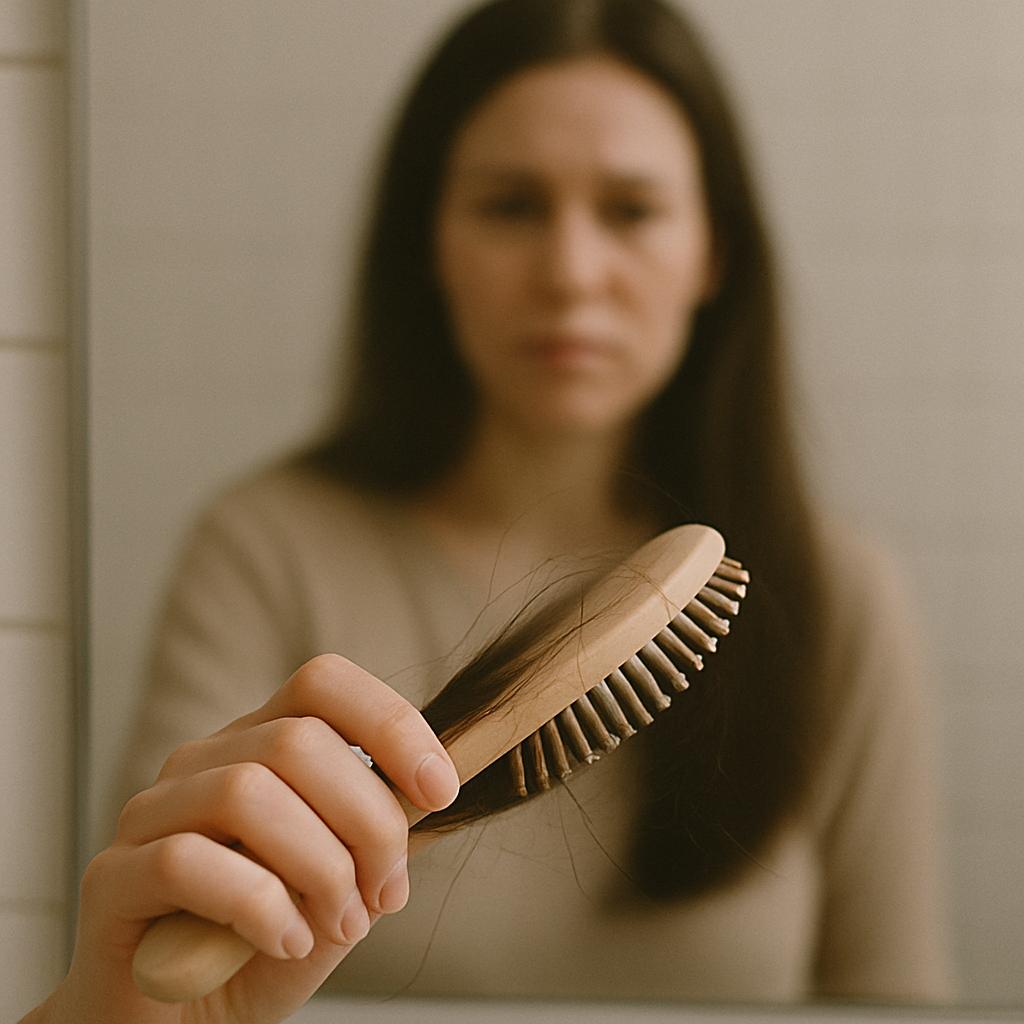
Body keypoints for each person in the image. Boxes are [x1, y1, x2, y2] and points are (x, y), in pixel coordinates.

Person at [24, 0, 953, 1020]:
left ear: (713, 253)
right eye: (511, 206)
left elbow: (895, 995)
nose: (570, 273)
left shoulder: (838, 597)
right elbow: (149, 963)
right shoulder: (264, 551)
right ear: (430, 241)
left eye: (631, 210)